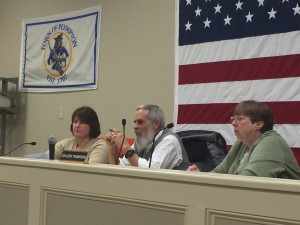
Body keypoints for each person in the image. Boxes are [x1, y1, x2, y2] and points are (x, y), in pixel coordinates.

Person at [187, 100, 300, 179]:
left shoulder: (271, 142)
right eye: (233, 119)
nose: (233, 123)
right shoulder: (241, 143)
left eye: (240, 119)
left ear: (259, 124)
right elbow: (219, 173)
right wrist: (199, 175)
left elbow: (248, 182)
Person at [105, 104, 190, 169]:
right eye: (134, 122)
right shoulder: (142, 141)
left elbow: (151, 172)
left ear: (156, 123)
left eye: (140, 122)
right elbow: (122, 167)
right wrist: (112, 149)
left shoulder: (169, 140)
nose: (135, 126)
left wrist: (126, 148)